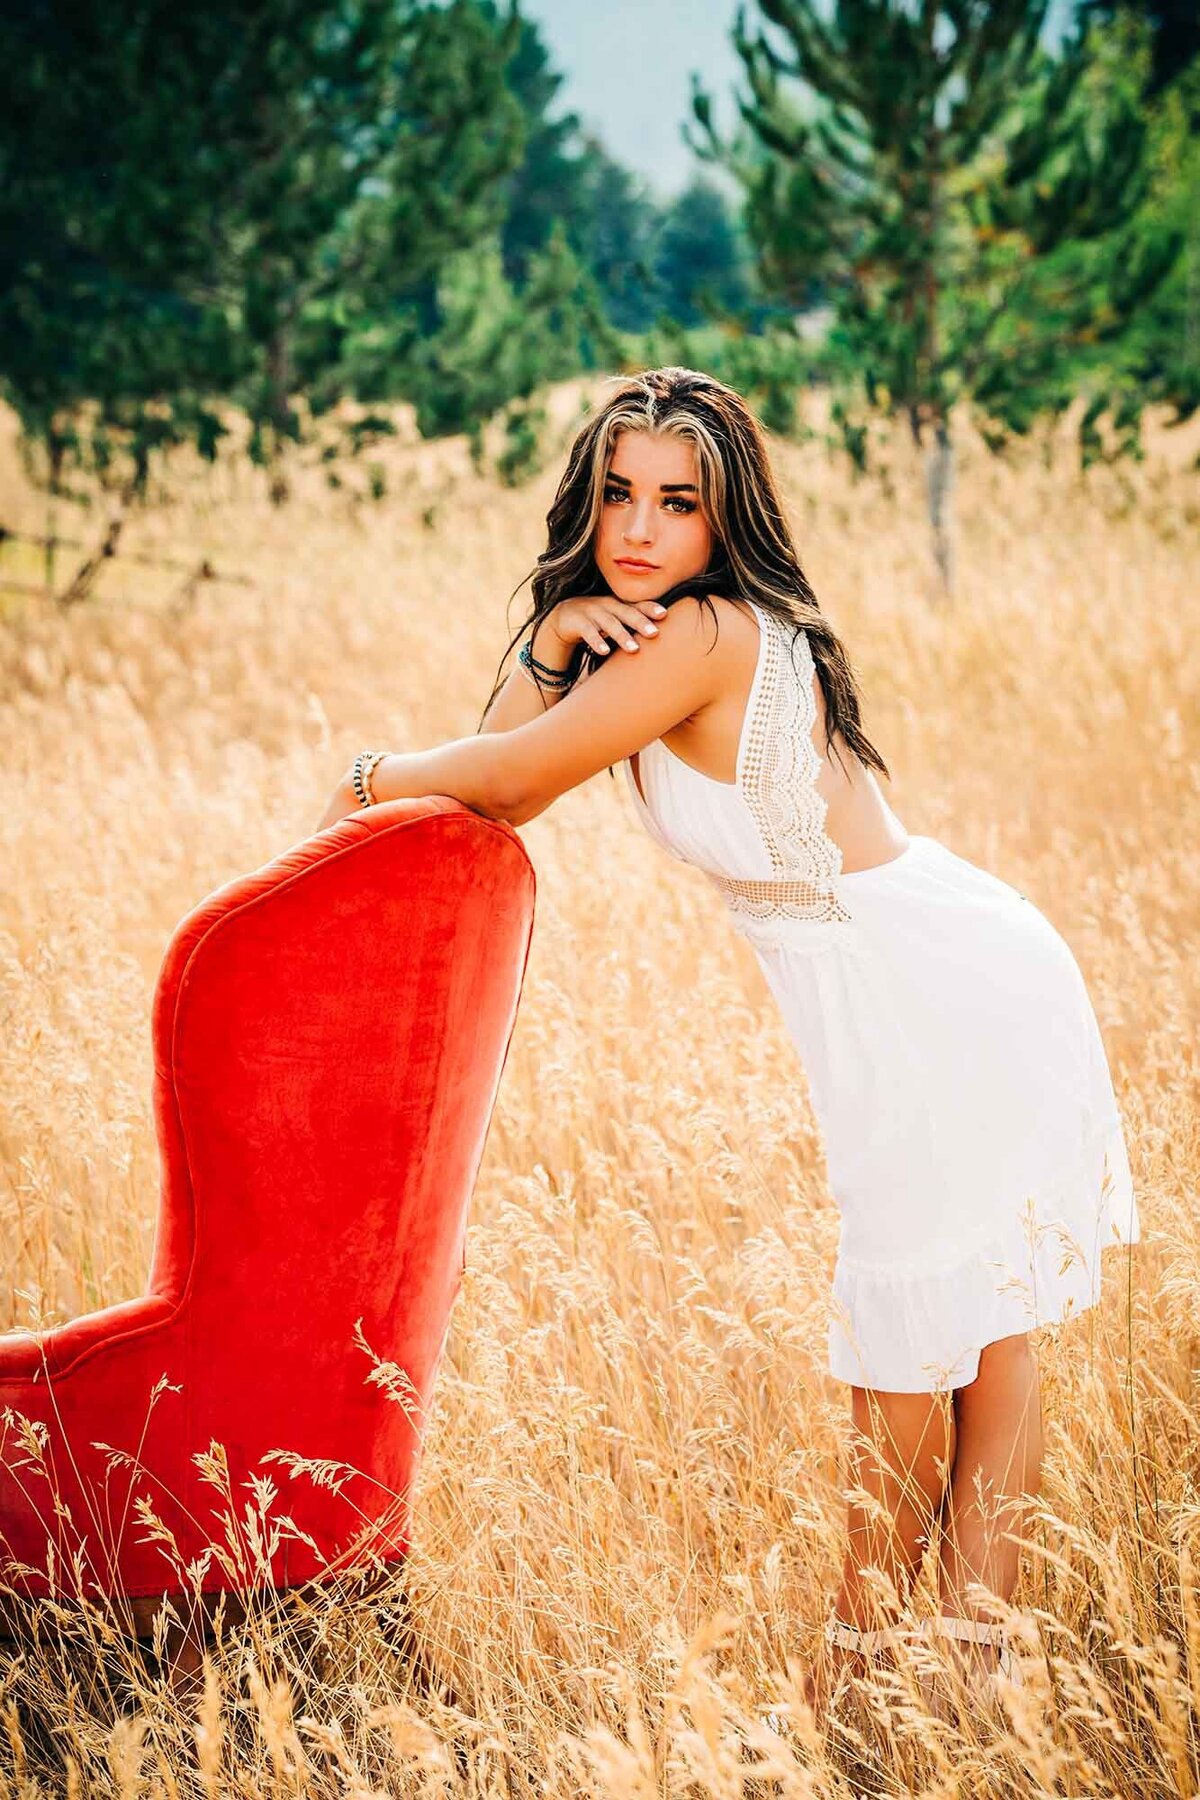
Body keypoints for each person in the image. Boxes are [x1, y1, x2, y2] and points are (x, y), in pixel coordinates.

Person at [314, 366, 1140, 1723]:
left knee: (928, 1334)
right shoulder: (640, 636)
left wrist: (363, 776)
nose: (639, 527)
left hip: (938, 986)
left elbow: (503, 780)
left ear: (725, 517)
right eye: (617, 495)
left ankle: (858, 1686)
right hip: (905, 980)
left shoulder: (704, 638)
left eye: (677, 502)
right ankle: (971, 1697)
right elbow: (504, 768)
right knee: (978, 1326)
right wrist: (551, 637)